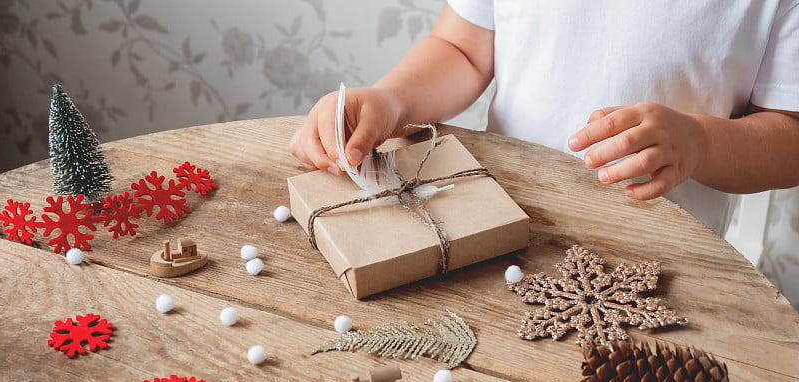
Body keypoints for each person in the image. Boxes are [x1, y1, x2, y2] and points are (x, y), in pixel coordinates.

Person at [289, 1, 799, 235]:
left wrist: (701, 143)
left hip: (660, 253)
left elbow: (789, 136)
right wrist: (390, 99)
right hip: (495, 219)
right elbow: (462, 48)